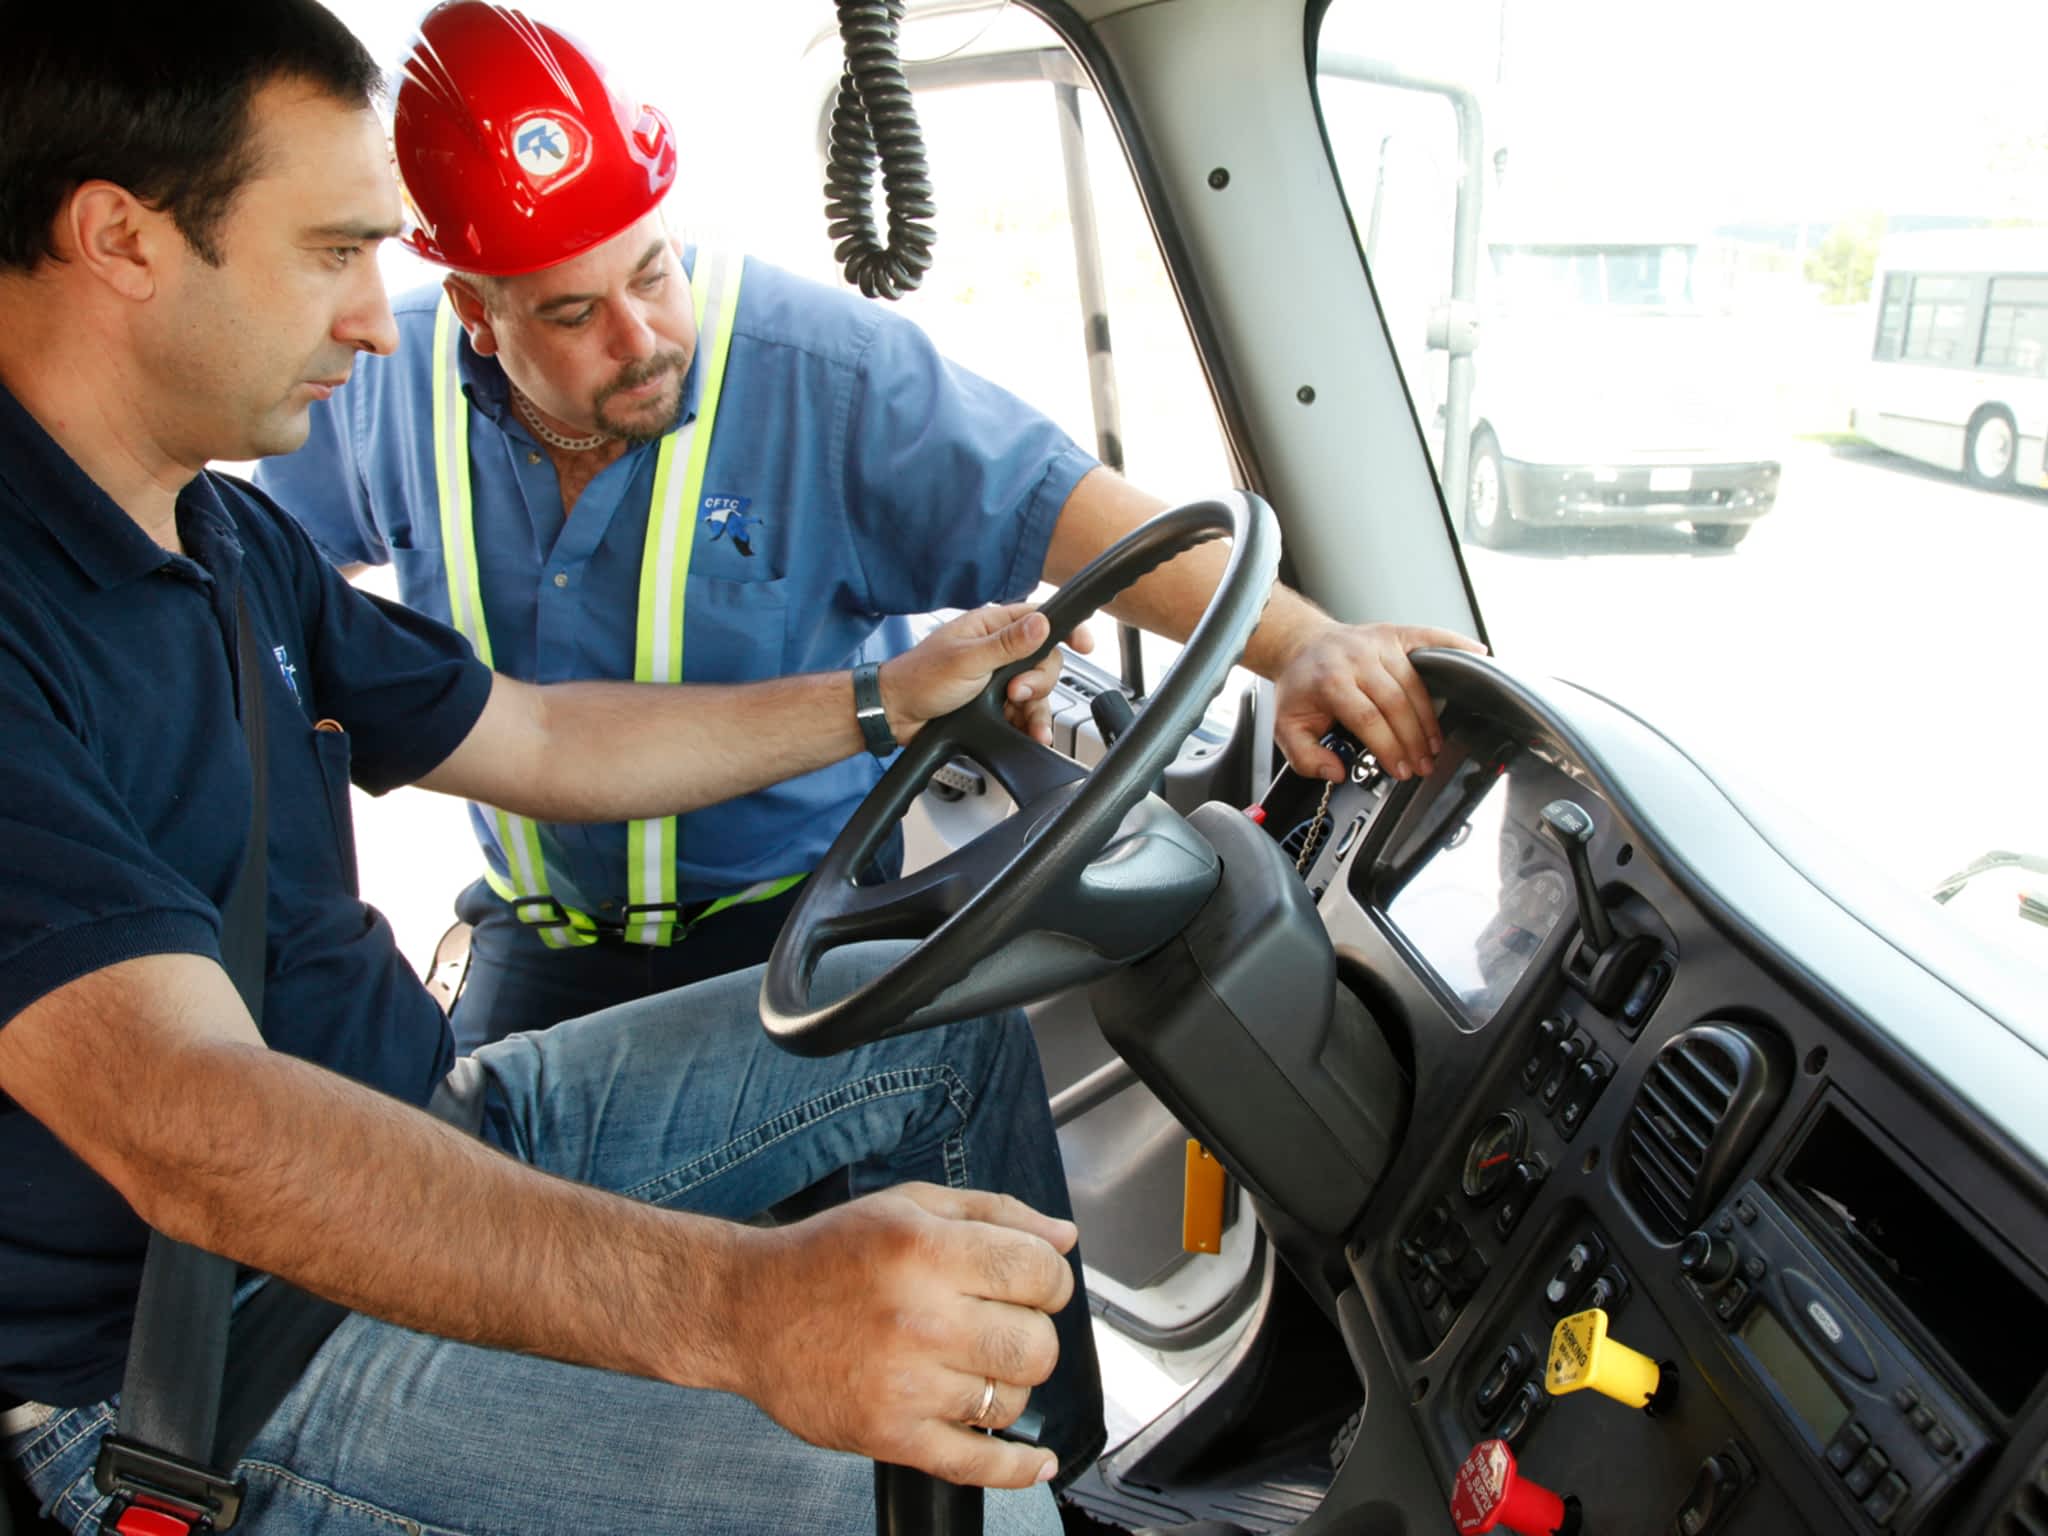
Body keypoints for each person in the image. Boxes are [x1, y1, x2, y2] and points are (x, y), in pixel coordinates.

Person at [0, 6, 1104, 1531]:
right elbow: (192, 1119)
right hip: (204, 1353)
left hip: (422, 1124)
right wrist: (740, 1309)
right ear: (120, 238)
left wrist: (889, 698)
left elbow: (532, 731)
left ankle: (1061, 1473)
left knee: (938, 1030)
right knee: (926, 1501)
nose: (379, 325)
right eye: (333, 254)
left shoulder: (218, 531)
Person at [255, 0, 1487, 1049]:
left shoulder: (826, 374)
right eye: (572, 315)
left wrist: (1301, 646)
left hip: (795, 925)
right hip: (539, 940)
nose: (641, 342)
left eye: (651, 272)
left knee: (958, 1151)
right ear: (474, 311)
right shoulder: (377, 387)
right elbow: (270, 592)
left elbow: (1070, 517)